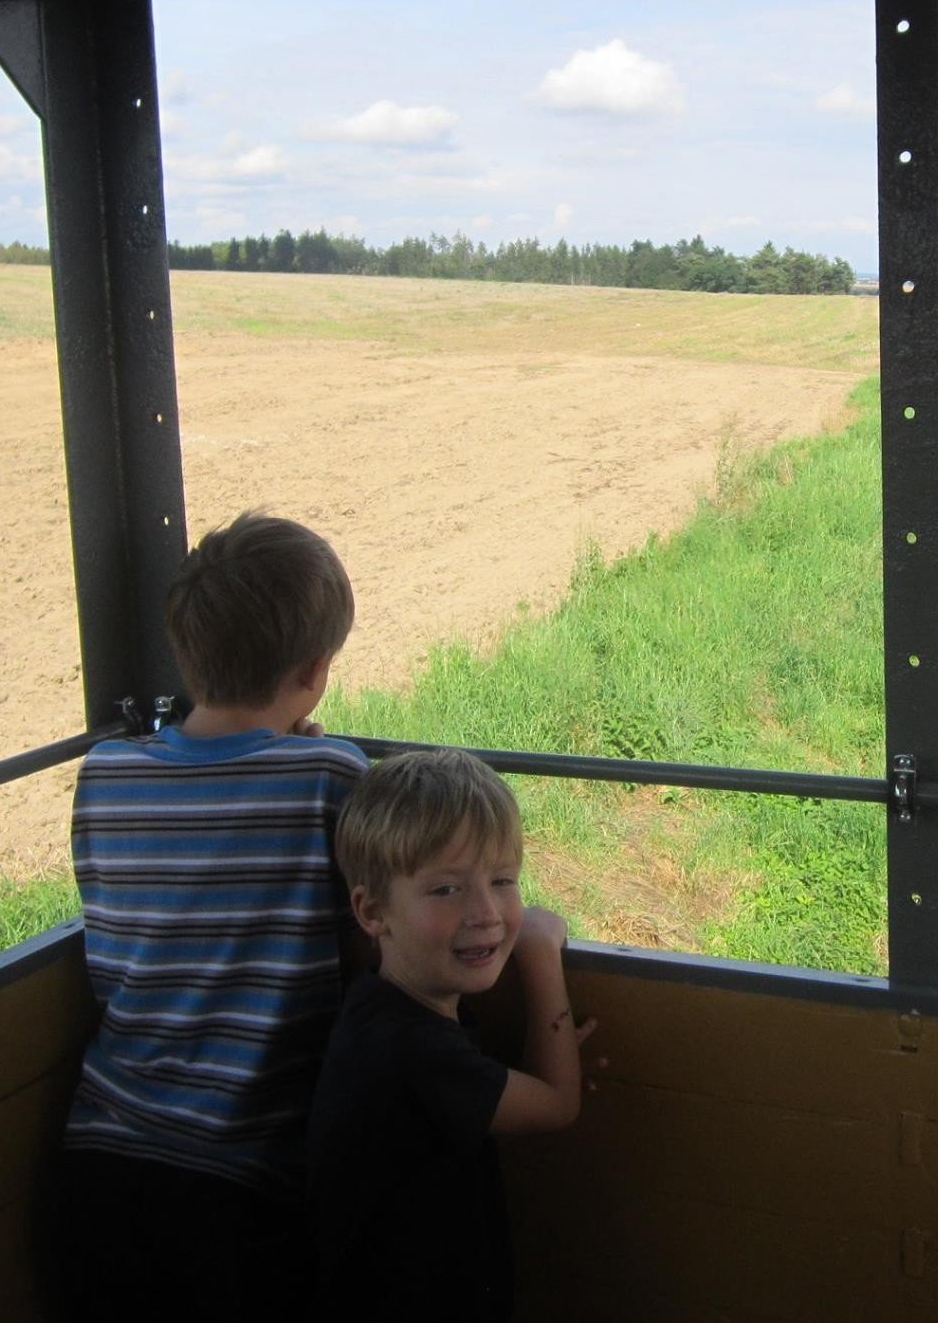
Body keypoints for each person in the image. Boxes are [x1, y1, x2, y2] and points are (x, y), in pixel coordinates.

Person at [53, 511, 366, 1320]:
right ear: (315, 670)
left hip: (96, 1168)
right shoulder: (331, 775)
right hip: (246, 1177)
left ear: (188, 656)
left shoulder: (104, 777)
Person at [307, 748, 598, 1320]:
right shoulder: (414, 1050)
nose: (486, 912)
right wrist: (538, 950)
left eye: (503, 880)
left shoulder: (379, 1009)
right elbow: (559, 1103)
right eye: (446, 889)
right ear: (371, 912)